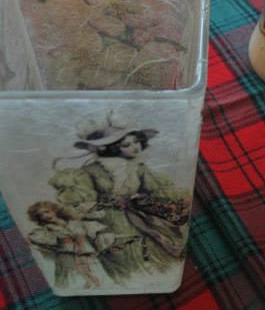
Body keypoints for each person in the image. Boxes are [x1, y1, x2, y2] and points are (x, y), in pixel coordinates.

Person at [48, 120, 191, 284]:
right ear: (112, 148)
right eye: (126, 145)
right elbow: (79, 202)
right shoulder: (90, 171)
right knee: (125, 261)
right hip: (108, 221)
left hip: (139, 215)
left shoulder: (138, 166)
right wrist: (106, 203)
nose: (135, 147)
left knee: (156, 255)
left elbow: (155, 188)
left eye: (136, 141)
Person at [26, 201, 112, 289]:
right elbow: (39, 241)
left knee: (98, 276)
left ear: (54, 210)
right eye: (41, 215)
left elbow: (95, 235)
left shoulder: (75, 223)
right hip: (68, 257)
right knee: (74, 280)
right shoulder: (46, 230)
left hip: (88, 254)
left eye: (47, 212)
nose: (45, 215)